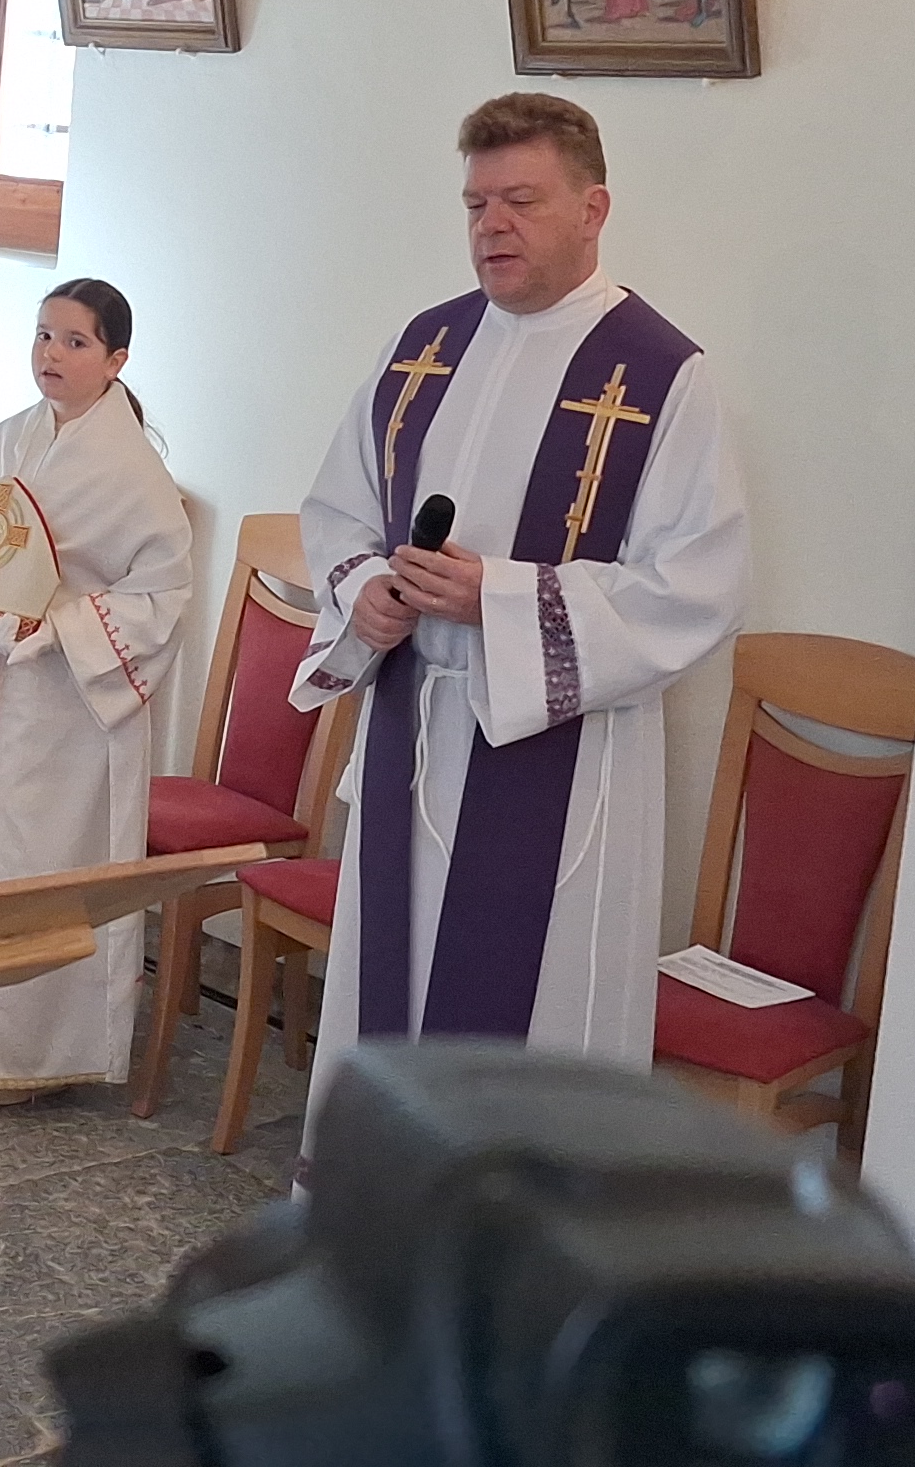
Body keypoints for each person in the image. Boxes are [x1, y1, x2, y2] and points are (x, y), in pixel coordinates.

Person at [295, 94, 748, 1090]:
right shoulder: (424, 347)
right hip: (414, 730)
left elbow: (694, 589)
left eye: (522, 201)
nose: (492, 225)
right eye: (476, 204)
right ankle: (384, 1180)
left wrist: (493, 601)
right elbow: (337, 510)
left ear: (593, 209)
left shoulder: (662, 377)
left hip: (559, 757)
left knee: (531, 1010)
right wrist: (367, 589)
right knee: (394, 981)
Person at [0, 281, 193, 1104]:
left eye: (75, 341)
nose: (52, 354)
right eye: (43, 335)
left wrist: (62, 629)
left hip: (67, 704)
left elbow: (162, 594)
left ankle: (24, 1056)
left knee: (34, 865)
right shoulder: (11, 436)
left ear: (116, 359)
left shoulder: (132, 470)